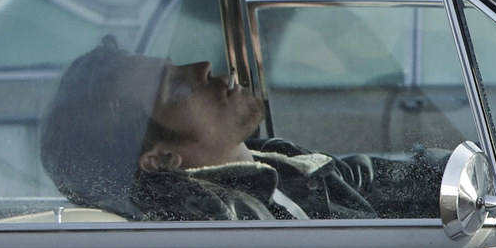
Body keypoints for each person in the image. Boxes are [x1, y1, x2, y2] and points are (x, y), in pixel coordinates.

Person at [37, 38, 444, 221]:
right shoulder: (224, 225)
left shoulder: (279, 162)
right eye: (177, 86)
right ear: (162, 158)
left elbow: (385, 179)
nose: (203, 68)